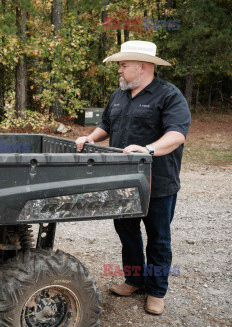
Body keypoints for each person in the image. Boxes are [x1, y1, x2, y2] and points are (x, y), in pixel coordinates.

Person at [75, 41, 191, 315]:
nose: (119, 70)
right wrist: (90, 137)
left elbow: (177, 134)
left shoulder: (169, 95)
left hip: (157, 183)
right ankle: (134, 279)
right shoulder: (119, 95)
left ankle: (156, 291)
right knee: (127, 233)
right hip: (123, 181)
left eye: (124, 65)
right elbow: (106, 125)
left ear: (143, 67)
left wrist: (148, 149)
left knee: (158, 238)